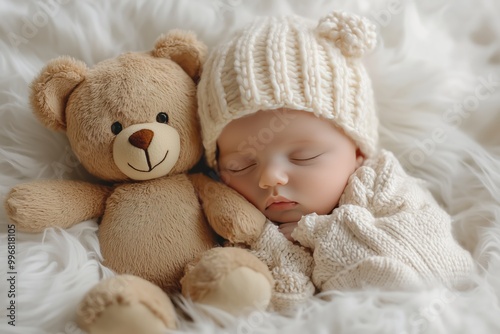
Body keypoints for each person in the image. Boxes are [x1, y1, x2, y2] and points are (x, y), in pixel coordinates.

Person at [197, 11, 474, 311]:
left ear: (357, 152)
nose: (270, 177)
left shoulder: (382, 187)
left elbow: (437, 271)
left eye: (304, 156)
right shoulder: (233, 223)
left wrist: (324, 232)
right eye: (240, 166)